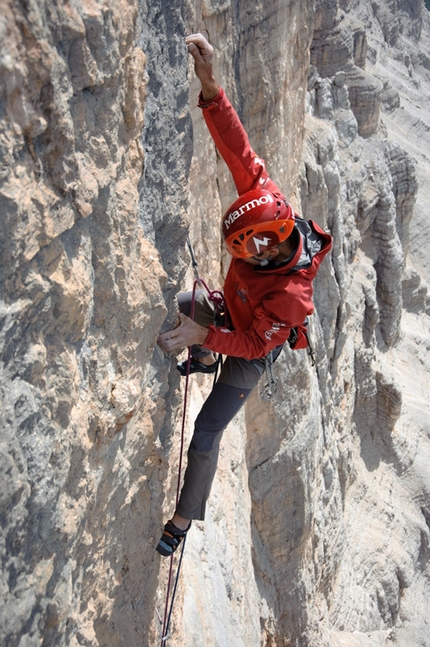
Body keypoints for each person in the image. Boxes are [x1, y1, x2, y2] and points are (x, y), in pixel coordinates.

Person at [155, 33, 332, 556]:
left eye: (255, 255)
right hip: (231, 316)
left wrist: (206, 333)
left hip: (252, 348)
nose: (247, 260)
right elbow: (239, 150)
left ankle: (183, 521)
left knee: (207, 431)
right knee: (180, 310)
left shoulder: (292, 296)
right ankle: (205, 348)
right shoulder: (267, 202)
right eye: (243, 253)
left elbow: (255, 345)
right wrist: (210, 86)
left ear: (274, 247)